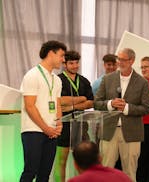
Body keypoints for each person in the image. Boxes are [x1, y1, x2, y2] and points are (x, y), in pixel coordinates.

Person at [94, 48, 149, 182]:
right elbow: (96, 103)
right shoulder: (107, 79)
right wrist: (110, 104)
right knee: (105, 172)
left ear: (132, 61)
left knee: (130, 173)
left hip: (132, 134)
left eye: (123, 60)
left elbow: (147, 108)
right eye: (118, 59)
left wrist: (127, 108)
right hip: (109, 132)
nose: (119, 62)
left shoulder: (142, 82)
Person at [20, 40, 66, 181]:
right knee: (30, 171)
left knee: (45, 173)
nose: (63, 60)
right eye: (61, 55)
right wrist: (45, 128)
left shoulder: (56, 80)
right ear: (51, 53)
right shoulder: (32, 75)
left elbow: (57, 104)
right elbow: (30, 106)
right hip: (33, 130)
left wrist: (59, 124)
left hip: (51, 132)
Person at [54, 50, 94, 182]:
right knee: (61, 162)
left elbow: (90, 102)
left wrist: (72, 106)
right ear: (64, 64)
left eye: (77, 63)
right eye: (71, 63)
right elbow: (59, 101)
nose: (75, 66)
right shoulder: (57, 80)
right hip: (63, 126)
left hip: (81, 125)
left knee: (83, 163)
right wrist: (80, 99)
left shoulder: (84, 81)